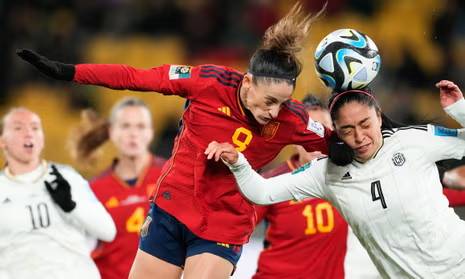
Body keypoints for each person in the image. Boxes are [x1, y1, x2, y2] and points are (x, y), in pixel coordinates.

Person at [16, 3, 330, 278]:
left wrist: (365, 119)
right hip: (172, 209)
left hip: (223, 224)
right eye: (269, 100)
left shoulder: (294, 120)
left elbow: (343, 147)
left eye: (282, 103)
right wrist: (70, 73)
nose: (274, 111)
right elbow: (135, 78)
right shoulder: (208, 82)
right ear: (247, 82)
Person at [212, 80, 465, 278]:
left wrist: (459, 109)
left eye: (365, 124)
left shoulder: (413, 140)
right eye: (347, 130)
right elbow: (260, 193)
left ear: (379, 116)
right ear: (337, 133)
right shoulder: (326, 174)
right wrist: (239, 162)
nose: (359, 136)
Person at [252, 94, 380, 279]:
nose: (315, 140)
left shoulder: (351, 177)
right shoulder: (273, 182)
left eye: (323, 132)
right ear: (294, 139)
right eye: (308, 132)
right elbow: (232, 228)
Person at [0, 108, 116, 279]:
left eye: (35, 128)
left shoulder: (67, 177)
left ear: (42, 139)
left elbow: (108, 231)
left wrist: (72, 206)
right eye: (18, 128)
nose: (28, 133)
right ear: (3, 141)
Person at [69, 97, 166, 279]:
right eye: (125, 126)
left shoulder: (171, 175)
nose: (133, 134)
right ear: (112, 132)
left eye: (140, 126)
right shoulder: (93, 190)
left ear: (151, 132)